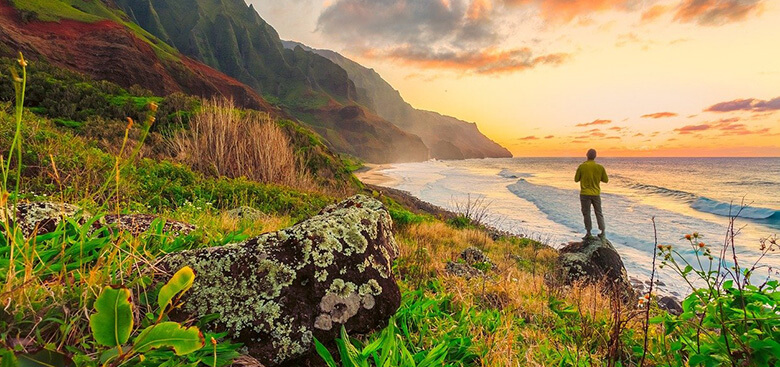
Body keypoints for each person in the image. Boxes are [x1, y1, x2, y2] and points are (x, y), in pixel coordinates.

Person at [574, 149, 608, 239]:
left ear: (587, 155)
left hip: (585, 193)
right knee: (599, 212)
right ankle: (603, 231)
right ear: (595, 156)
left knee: (586, 213)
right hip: (596, 193)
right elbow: (606, 180)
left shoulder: (582, 166)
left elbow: (576, 179)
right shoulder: (600, 167)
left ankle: (588, 232)